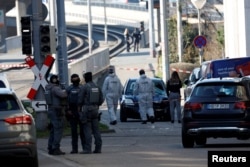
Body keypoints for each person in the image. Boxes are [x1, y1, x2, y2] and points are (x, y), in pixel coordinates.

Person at [78, 72, 104, 154]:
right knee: (96, 130)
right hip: (95, 109)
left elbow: (80, 99)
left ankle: (87, 149)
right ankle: (98, 148)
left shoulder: (84, 87)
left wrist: (79, 108)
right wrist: (96, 105)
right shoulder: (97, 86)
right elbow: (101, 99)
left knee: (87, 130)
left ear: (85, 79)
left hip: (87, 109)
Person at [45, 74, 67, 155]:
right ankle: (56, 148)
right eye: (57, 79)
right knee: (58, 130)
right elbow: (63, 95)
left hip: (51, 109)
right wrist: (66, 91)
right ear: (54, 80)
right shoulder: (55, 88)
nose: (58, 80)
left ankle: (50, 147)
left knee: (53, 130)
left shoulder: (47, 88)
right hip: (57, 110)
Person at [65, 74, 85, 154]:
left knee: (83, 131)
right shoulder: (69, 89)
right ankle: (74, 149)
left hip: (81, 111)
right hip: (72, 111)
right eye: (74, 79)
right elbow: (65, 100)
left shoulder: (82, 88)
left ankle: (85, 148)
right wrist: (67, 110)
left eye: (76, 79)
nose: (75, 80)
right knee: (74, 132)